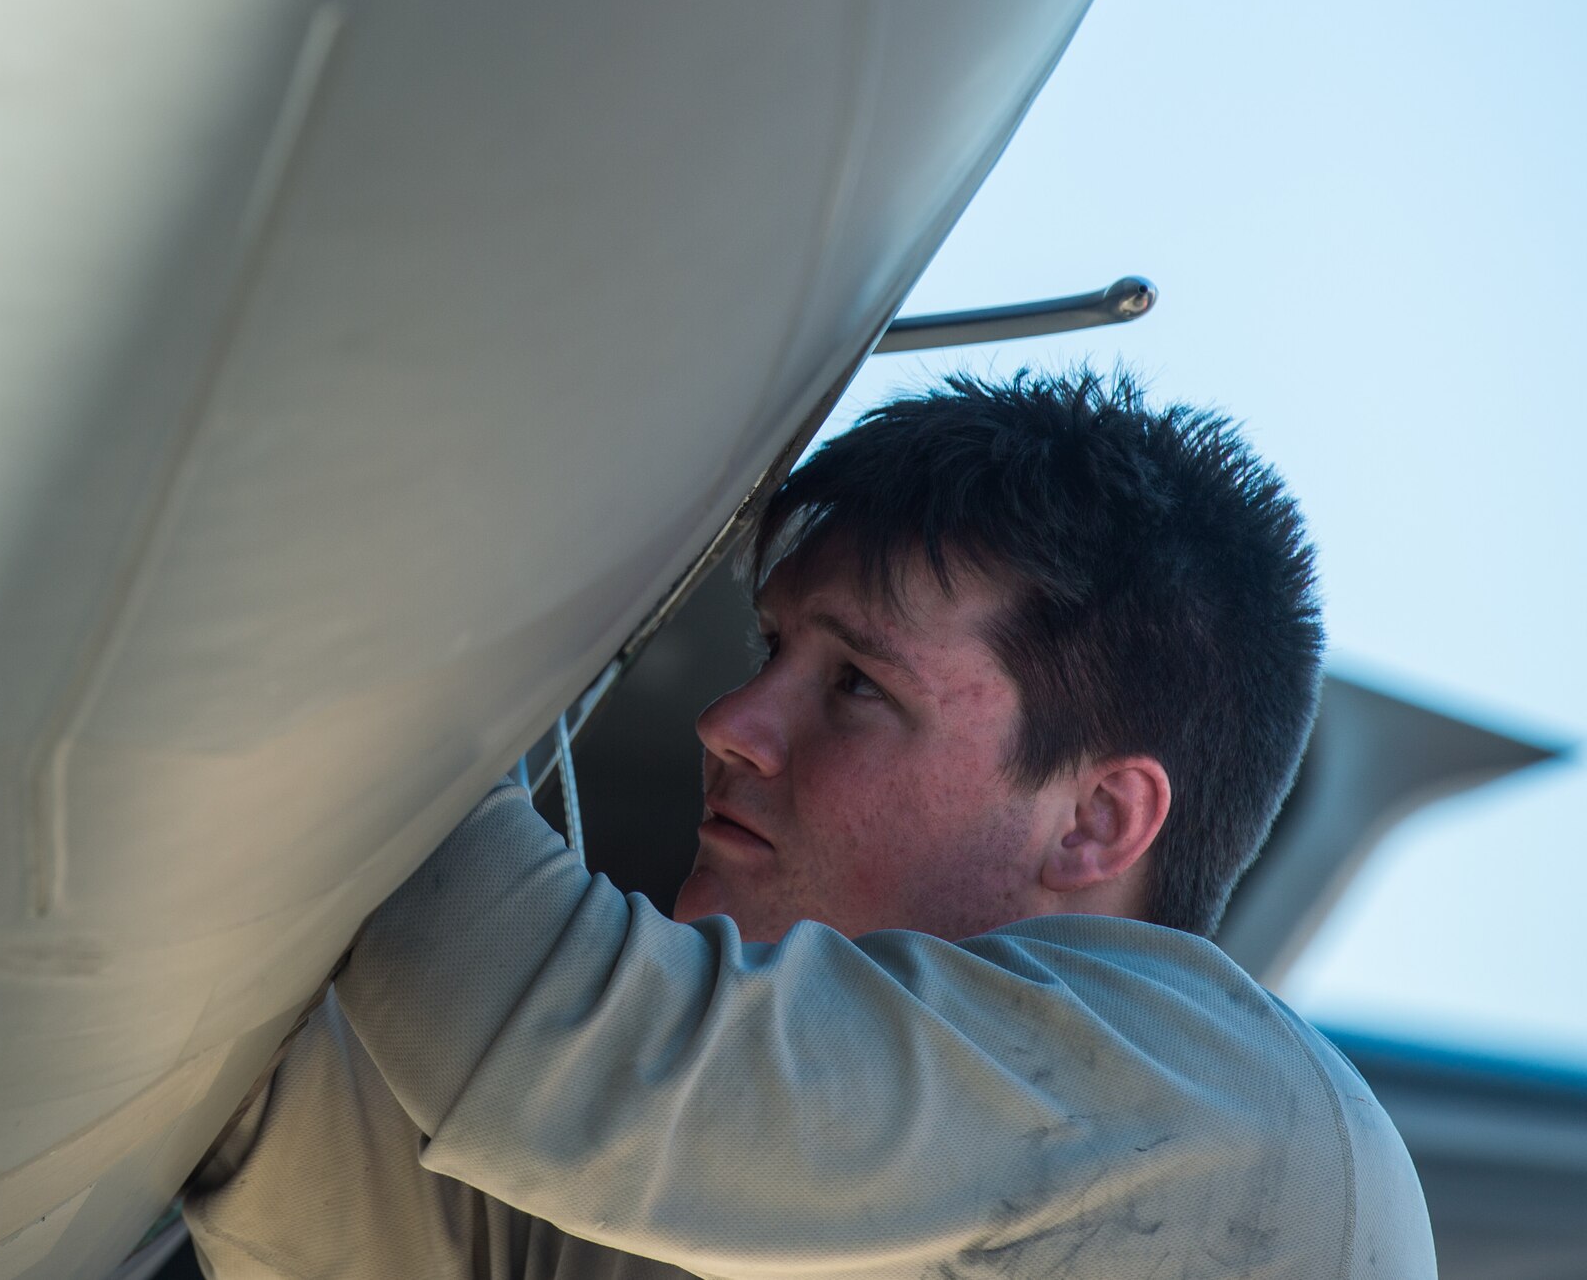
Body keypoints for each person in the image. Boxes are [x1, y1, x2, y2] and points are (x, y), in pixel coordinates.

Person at [183, 370, 1435, 1278]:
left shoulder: (1236, 1127)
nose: (730, 718)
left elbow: (543, 1049)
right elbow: (321, 1179)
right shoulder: (740, 1198)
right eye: (772, 649)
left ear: (1096, 818)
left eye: (855, 685)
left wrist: (313, 582)